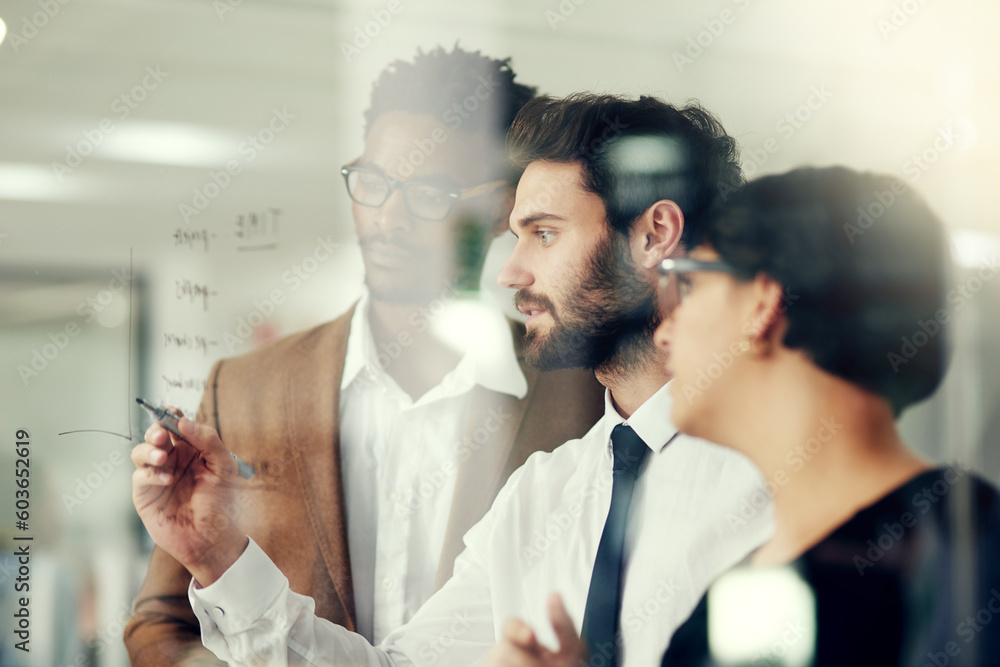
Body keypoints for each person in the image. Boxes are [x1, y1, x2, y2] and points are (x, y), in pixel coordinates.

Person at [129, 92, 774, 666]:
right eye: (517, 236)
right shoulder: (543, 497)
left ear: (654, 234)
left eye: (544, 235)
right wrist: (220, 556)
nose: (510, 272)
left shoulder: (783, 474)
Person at [123, 47, 606, 666]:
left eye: (430, 192)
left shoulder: (580, 397)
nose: (388, 217)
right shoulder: (246, 388)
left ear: (499, 211)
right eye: (373, 183)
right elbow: (159, 628)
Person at [649, 166, 1000, 665]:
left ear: (763, 302)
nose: (665, 333)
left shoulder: (967, 559)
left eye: (689, 285)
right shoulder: (719, 617)